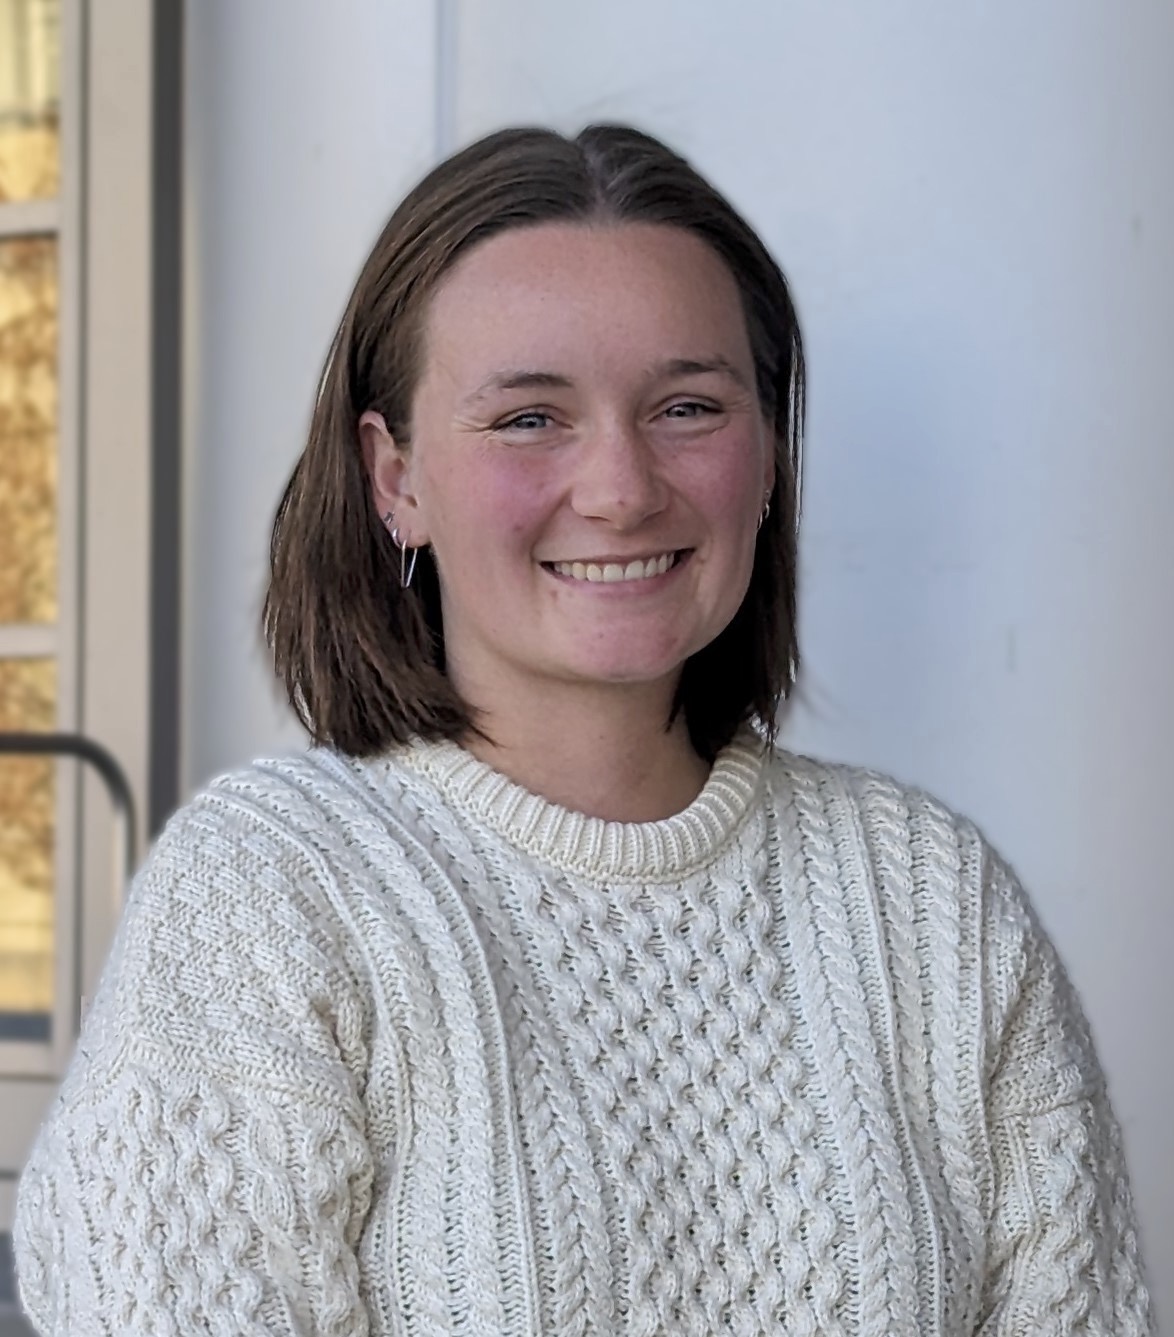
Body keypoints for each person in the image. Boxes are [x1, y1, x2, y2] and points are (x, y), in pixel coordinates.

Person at [14, 124, 1152, 1336]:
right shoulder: (272, 895)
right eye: (527, 418)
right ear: (394, 475)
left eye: (687, 406)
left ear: (767, 455)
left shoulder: (937, 906)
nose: (618, 484)